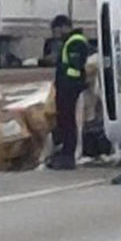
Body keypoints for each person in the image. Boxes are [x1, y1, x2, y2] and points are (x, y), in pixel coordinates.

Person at [48, 14, 88, 170]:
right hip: (66, 87)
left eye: (56, 31)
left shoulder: (76, 42)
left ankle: (68, 156)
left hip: (70, 88)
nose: (56, 35)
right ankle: (64, 152)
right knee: (64, 121)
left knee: (68, 121)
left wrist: (65, 80)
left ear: (64, 27)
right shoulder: (69, 42)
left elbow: (74, 66)